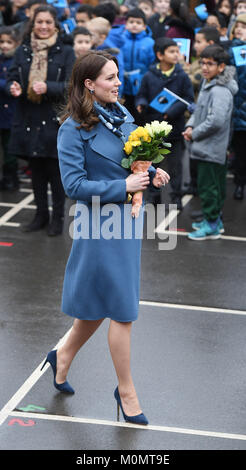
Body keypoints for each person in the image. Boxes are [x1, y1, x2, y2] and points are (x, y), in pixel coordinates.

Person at [41, 50, 170, 424]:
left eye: (117, 76)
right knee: (122, 310)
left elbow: (134, 158)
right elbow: (74, 186)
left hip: (127, 222)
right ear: (89, 84)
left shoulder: (123, 114)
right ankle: (126, 391)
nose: (118, 83)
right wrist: (124, 185)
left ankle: (61, 355)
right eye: (111, 78)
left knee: (100, 304)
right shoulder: (71, 128)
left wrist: (152, 171)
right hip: (99, 225)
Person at [6, 5, 75, 235]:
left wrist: (48, 87)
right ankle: (40, 215)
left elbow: (71, 86)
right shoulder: (23, 50)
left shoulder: (65, 51)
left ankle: (57, 218)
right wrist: (12, 86)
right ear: (32, 24)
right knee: (35, 170)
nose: (43, 26)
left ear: (55, 24)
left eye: (48, 22)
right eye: (39, 22)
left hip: (54, 118)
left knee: (55, 172)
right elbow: (13, 76)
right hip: (28, 116)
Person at [183, 45, 238, 240]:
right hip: (206, 147)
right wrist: (190, 125)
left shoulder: (220, 90)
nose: (205, 67)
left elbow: (216, 121)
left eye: (210, 64)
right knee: (213, 186)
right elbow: (200, 111)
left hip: (211, 148)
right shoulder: (209, 84)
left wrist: (195, 133)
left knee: (209, 188)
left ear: (221, 67)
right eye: (203, 63)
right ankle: (214, 221)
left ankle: (212, 225)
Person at [136, 37, 194, 210]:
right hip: (153, 129)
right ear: (160, 55)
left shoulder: (182, 76)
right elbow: (142, 94)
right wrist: (141, 103)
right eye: (172, 51)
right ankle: (154, 196)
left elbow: (187, 99)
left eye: (177, 51)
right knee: (152, 165)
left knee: (175, 166)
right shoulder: (149, 75)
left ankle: (176, 196)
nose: (177, 55)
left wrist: (171, 112)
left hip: (174, 129)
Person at [121, 8, 155, 123]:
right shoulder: (121, 40)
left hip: (141, 85)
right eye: (131, 22)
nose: (134, 25)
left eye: (138, 22)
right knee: (125, 112)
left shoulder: (149, 42)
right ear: (126, 24)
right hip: (123, 84)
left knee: (140, 115)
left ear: (144, 26)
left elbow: (152, 63)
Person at [0, 26, 21, 190]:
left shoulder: (15, 61)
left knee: (9, 148)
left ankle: (11, 178)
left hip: (11, 112)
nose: (5, 45)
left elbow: (13, 84)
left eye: (9, 42)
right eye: (2, 42)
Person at [228, 13, 246, 199]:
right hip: (237, 109)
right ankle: (240, 184)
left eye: (244, 26)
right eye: (237, 26)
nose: (240, 29)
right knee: (239, 151)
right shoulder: (232, 50)